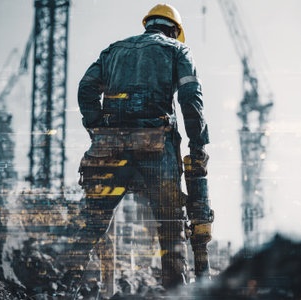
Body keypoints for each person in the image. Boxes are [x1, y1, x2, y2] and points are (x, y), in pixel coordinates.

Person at [74, 3, 210, 291]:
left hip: (109, 147)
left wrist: (98, 128)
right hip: (156, 146)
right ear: (174, 30)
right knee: (170, 230)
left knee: (90, 228)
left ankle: (62, 290)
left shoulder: (113, 50)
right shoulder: (176, 50)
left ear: (148, 24)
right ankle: (175, 293)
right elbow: (190, 98)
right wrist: (197, 145)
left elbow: (86, 89)